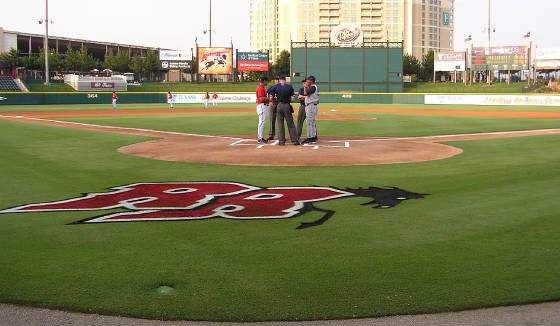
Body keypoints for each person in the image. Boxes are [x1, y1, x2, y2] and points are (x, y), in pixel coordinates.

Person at [271, 76, 299, 146]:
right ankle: (295, 141)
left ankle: (281, 141)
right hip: (286, 105)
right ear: (285, 80)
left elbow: (271, 98)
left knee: (280, 124)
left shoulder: (275, 87)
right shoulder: (289, 87)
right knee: (290, 124)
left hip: (279, 105)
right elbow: (292, 100)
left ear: (279, 80)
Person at [300, 76, 319, 144]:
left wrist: (305, 86)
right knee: (312, 122)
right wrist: (307, 86)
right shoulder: (313, 87)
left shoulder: (313, 87)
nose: (307, 81)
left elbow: (305, 93)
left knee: (309, 123)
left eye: (308, 80)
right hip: (312, 105)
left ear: (311, 81)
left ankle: (309, 138)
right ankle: (313, 137)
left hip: (310, 106)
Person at [266, 76, 280, 141]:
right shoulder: (271, 88)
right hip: (273, 104)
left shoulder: (282, 87)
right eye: (276, 79)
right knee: (272, 120)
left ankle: (281, 135)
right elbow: (266, 94)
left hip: (279, 104)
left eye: (278, 79)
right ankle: (271, 135)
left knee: (280, 120)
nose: (277, 81)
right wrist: (269, 101)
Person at [255, 77, 270, 143]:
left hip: (263, 106)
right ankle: (260, 138)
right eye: (267, 81)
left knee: (262, 122)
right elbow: (261, 98)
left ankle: (260, 137)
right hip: (262, 106)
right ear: (264, 81)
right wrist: (269, 99)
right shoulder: (260, 88)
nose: (267, 82)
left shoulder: (262, 88)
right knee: (261, 122)